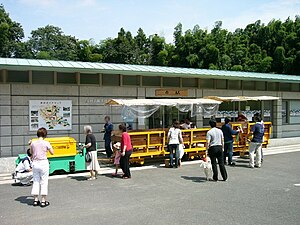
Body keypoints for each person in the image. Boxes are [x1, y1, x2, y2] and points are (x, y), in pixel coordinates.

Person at [30, 127, 54, 207]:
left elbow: (31, 153)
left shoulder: (33, 143)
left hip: (35, 163)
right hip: (43, 163)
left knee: (36, 181)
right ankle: (43, 201)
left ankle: (35, 200)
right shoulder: (46, 143)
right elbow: (52, 153)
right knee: (44, 181)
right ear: (45, 134)